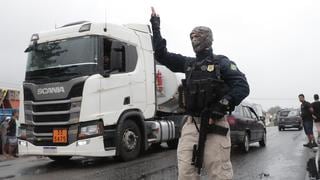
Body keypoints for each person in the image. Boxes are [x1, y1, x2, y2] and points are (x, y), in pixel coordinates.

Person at [150, 7, 250, 180]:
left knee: (219, 174)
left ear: (208, 39)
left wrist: (221, 105)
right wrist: (156, 25)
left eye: (198, 36)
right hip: (191, 125)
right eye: (192, 37)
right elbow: (162, 55)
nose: (194, 40)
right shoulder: (188, 64)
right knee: (186, 173)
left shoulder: (222, 63)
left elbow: (242, 86)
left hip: (215, 124)